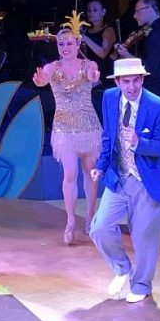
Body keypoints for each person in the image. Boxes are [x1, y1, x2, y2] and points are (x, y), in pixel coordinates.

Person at [89, 58, 160, 304]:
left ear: (142, 79)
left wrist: (139, 143)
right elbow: (109, 136)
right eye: (126, 81)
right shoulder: (109, 98)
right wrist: (100, 166)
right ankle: (121, 268)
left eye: (136, 80)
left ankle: (141, 284)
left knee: (144, 238)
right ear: (117, 82)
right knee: (99, 228)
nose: (131, 86)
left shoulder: (158, 107)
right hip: (119, 175)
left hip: (146, 179)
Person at [32, 20, 102, 245]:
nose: (65, 47)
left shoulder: (87, 64)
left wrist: (92, 75)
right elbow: (42, 80)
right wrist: (41, 80)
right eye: (61, 44)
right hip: (64, 129)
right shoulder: (53, 67)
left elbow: (93, 77)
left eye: (69, 43)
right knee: (70, 173)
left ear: (77, 43)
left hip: (88, 127)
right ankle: (71, 220)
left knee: (90, 171)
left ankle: (90, 215)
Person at [114, 0, 160, 98]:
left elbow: (149, 68)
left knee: (118, 90)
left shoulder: (158, 34)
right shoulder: (154, 29)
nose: (135, 16)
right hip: (157, 80)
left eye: (137, 11)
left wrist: (126, 54)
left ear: (149, 10)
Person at [81, 0, 116, 82]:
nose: (91, 13)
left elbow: (103, 54)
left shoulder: (108, 30)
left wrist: (85, 38)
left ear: (103, 12)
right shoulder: (85, 30)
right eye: (89, 10)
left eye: (95, 10)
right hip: (88, 71)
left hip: (104, 73)